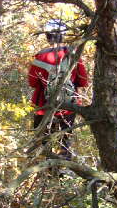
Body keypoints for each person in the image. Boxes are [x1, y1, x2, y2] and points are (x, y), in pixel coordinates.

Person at [28, 20, 88, 159]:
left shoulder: (40, 57)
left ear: (47, 36)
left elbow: (32, 83)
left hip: (44, 106)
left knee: (43, 143)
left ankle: (46, 167)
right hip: (69, 106)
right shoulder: (74, 54)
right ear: (64, 35)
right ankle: (64, 166)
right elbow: (83, 81)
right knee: (65, 143)